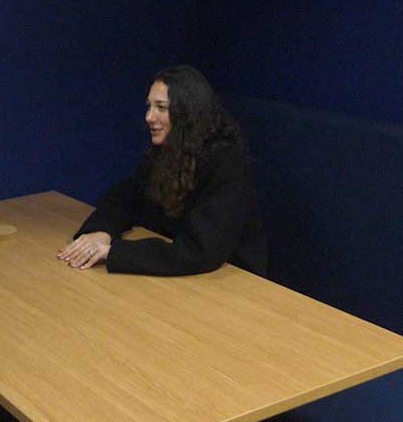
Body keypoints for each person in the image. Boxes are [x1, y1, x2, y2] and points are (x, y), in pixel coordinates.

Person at [57, 64, 268, 276]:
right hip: (182, 272)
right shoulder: (167, 151)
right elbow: (125, 198)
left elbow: (200, 251)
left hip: (231, 279)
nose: (149, 117)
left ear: (187, 113)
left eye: (161, 107)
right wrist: (102, 231)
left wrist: (113, 253)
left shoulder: (227, 164)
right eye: (149, 106)